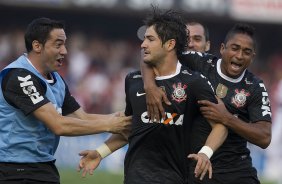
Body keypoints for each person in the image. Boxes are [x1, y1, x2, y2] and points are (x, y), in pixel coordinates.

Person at [77, 7, 227, 184]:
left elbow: (220, 126)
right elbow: (130, 127)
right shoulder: (132, 80)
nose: (142, 44)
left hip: (173, 178)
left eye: (150, 39)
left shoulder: (194, 82)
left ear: (170, 44)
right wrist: (100, 152)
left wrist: (205, 153)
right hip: (134, 178)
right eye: (144, 39)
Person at [0, 17, 132, 184]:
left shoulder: (56, 79)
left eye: (64, 44)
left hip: (43, 167)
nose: (64, 51)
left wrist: (120, 117)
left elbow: (81, 118)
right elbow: (58, 125)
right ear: (37, 46)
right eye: (58, 44)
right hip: (13, 170)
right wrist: (110, 125)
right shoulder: (20, 76)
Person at [141, 23, 272, 184]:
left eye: (246, 52)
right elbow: (152, 56)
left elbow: (264, 137)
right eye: (235, 48)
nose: (239, 55)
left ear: (253, 57)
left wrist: (227, 118)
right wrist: (149, 87)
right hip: (197, 166)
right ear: (223, 48)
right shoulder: (199, 62)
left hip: (236, 170)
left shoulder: (255, 86)